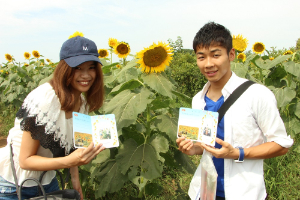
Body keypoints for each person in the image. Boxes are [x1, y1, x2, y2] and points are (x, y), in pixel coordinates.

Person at [176, 22, 293, 200]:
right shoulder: (198, 100)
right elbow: (206, 146)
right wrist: (193, 149)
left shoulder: (256, 94)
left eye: (215, 55)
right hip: (205, 192)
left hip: (244, 193)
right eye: (201, 57)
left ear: (231, 55)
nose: (208, 64)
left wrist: (237, 153)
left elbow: (281, 145)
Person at [0, 34, 106, 200]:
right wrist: (70, 161)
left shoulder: (83, 104)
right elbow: (25, 161)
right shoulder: (45, 99)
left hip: (47, 180)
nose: (86, 75)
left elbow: (76, 148)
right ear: (65, 69)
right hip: (14, 185)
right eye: (78, 68)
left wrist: (75, 181)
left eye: (91, 67)